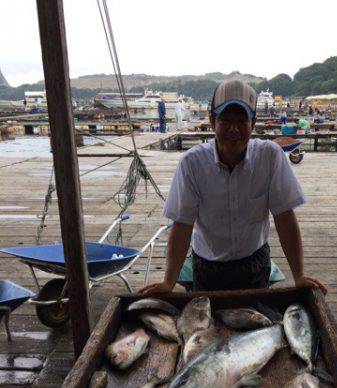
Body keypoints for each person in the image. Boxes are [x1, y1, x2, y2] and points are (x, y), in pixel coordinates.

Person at [140, 79, 326, 295]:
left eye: (241, 120)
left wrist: (299, 276)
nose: (233, 129)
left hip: (254, 263)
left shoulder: (270, 157)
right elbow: (182, 225)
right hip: (207, 267)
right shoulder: (192, 163)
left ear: (253, 122)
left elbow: (284, 216)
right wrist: (168, 283)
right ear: (212, 121)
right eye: (225, 120)